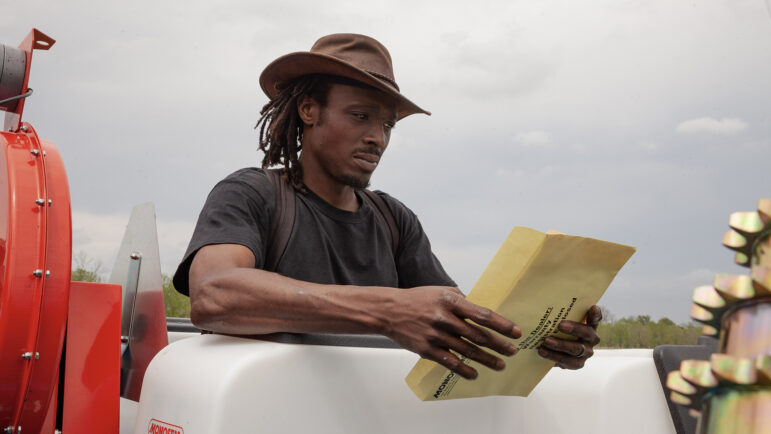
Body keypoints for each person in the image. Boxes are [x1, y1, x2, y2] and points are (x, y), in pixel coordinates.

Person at [173, 33, 601, 380]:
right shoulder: (254, 193)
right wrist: (388, 311)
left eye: (387, 124)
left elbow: (453, 324)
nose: (378, 137)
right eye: (361, 116)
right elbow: (214, 295)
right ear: (308, 110)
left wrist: (545, 337)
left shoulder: (394, 220)